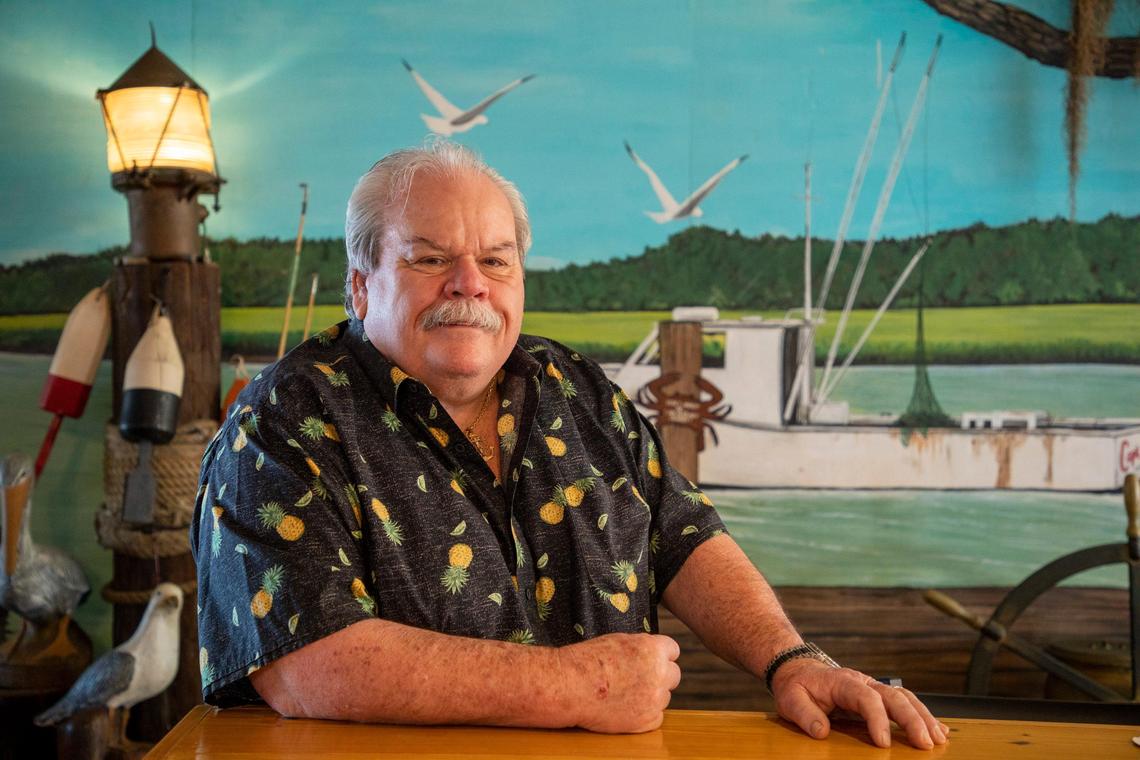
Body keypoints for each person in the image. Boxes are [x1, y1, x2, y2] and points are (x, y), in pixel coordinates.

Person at [191, 141, 947, 749]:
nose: (469, 284)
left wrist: (791, 660)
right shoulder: (281, 422)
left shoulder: (575, 389)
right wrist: (576, 687)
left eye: (496, 260)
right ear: (361, 287)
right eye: (429, 258)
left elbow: (683, 534)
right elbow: (306, 665)